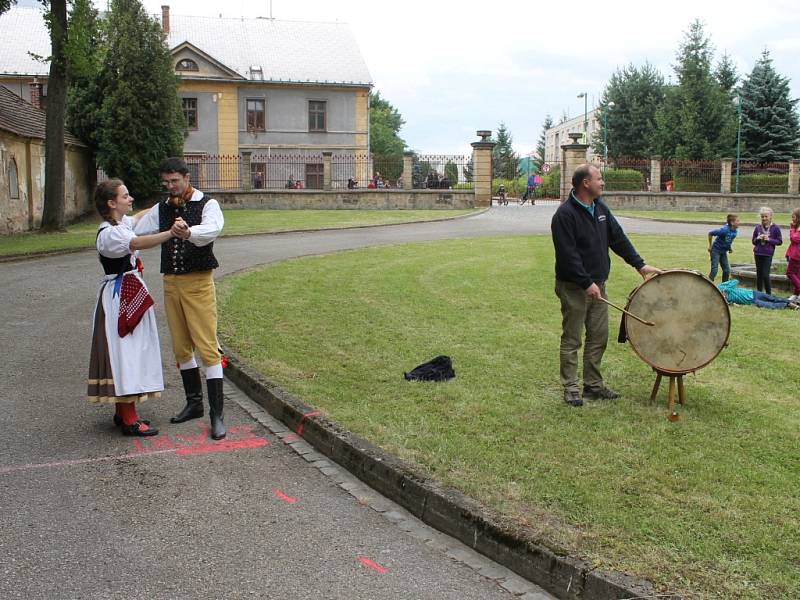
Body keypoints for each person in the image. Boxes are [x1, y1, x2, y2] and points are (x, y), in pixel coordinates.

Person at [551, 164, 660, 407]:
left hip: (598, 285)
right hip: (574, 288)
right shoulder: (564, 215)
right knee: (572, 339)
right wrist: (586, 282)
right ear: (585, 183)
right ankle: (570, 388)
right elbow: (568, 256)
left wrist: (640, 265)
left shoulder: (600, 208)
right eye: (599, 179)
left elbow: (618, 238)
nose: (603, 183)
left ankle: (593, 386)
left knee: (599, 336)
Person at [134, 158, 227, 440]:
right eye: (166, 182)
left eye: (174, 180)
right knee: (181, 346)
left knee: (207, 346)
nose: (170, 186)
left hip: (198, 282)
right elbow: (137, 227)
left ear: (187, 178)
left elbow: (213, 228)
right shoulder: (162, 207)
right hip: (171, 282)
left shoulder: (207, 204)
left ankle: (217, 415)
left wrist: (190, 232)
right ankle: (194, 404)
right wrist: (111, 222)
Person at [88, 179, 176, 436]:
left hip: (127, 291)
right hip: (119, 297)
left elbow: (137, 218)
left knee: (131, 350)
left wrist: (167, 202)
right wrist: (171, 233)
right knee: (125, 352)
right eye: (125, 196)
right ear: (111, 203)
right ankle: (128, 418)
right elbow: (136, 243)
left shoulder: (119, 224)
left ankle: (123, 411)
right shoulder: (109, 234)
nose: (131, 198)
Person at [751, 206, 782, 295]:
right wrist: (757, 238)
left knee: (765, 275)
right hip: (758, 253)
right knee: (759, 275)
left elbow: (779, 241)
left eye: (766, 216)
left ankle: (768, 294)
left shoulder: (775, 228)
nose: (764, 218)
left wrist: (769, 239)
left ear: (771, 216)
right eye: (762, 217)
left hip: (768, 254)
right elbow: (753, 241)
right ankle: (759, 293)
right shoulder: (758, 227)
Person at [717, 279, 799, 310]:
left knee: (773, 298)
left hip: (752, 293)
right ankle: (788, 304)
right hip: (751, 301)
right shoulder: (720, 300)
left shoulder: (721, 286)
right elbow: (731, 305)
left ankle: (794, 302)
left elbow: (735, 281)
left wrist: (725, 290)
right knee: (769, 305)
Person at [708, 214, 740, 282]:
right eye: (737, 221)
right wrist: (710, 246)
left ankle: (724, 287)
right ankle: (708, 284)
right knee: (714, 270)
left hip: (723, 252)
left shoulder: (735, 231)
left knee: (726, 270)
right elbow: (710, 233)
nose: (739, 222)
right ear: (732, 223)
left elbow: (728, 240)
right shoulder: (724, 230)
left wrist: (729, 248)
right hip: (715, 250)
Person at [785, 208, 800, 302]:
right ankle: (796, 295)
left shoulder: (797, 229)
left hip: (797, 255)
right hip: (795, 254)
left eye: (793, 217)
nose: (792, 219)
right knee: (798, 275)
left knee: (790, 273)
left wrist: (792, 228)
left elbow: (794, 239)